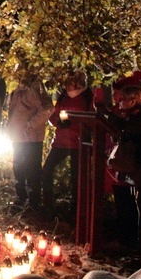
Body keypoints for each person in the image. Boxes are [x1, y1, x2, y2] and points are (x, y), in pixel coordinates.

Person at [99, 85, 141, 261]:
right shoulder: (138, 115)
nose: (119, 102)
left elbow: (128, 129)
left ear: (134, 99)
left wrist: (106, 114)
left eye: (122, 99)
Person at [41, 71, 95, 219]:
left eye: (71, 81)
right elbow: (54, 115)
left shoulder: (88, 96)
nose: (68, 84)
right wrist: (59, 122)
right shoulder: (63, 96)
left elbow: (92, 118)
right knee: (46, 170)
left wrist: (77, 123)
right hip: (61, 141)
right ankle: (47, 204)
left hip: (79, 142)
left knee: (77, 177)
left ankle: (76, 210)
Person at [5, 64, 54, 210]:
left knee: (32, 170)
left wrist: (30, 125)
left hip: (30, 138)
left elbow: (47, 108)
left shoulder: (34, 88)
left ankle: (33, 203)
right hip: (18, 137)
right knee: (19, 168)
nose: (15, 73)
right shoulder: (17, 88)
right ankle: (21, 199)